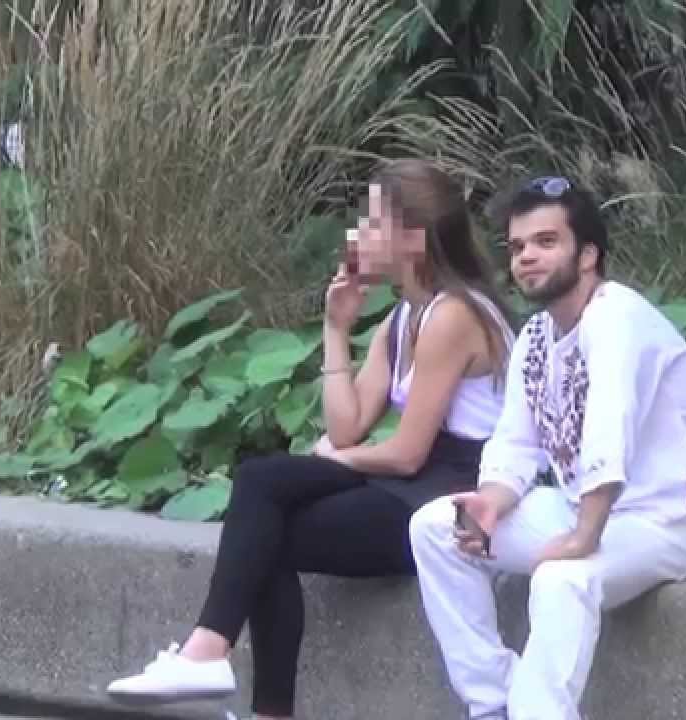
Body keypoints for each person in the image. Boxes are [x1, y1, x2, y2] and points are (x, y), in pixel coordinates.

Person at [104, 159, 518, 720]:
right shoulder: (405, 318)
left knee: (262, 503)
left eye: (373, 222)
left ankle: (211, 657)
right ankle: (229, 675)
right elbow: (348, 424)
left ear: (413, 238)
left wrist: (337, 457)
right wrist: (336, 327)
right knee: (262, 512)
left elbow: (407, 453)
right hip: (409, 487)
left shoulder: (455, 315)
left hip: (450, 501)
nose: (359, 233)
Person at [407, 176, 686, 720]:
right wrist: (490, 501)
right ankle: (494, 702)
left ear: (588, 255)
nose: (526, 257)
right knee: (435, 528)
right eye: (518, 246)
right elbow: (515, 442)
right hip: (581, 510)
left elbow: (610, 428)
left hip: (668, 521)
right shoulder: (537, 336)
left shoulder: (618, 318)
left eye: (546, 242)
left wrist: (583, 536)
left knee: (562, 578)